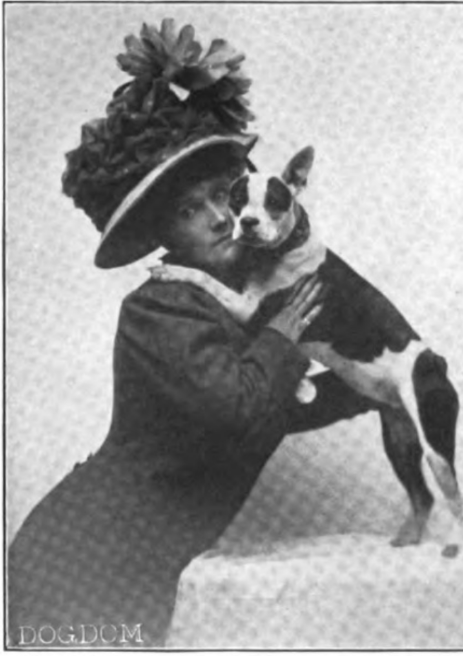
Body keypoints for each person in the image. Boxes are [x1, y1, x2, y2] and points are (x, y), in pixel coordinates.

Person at [8, 19, 373, 648]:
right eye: (187, 210)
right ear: (162, 235)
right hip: (83, 554)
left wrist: (377, 389)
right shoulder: (160, 308)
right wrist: (284, 336)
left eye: (221, 197)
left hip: (137, 560)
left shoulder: (236, 303)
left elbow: (271, 410)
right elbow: (238, 409)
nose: (218, 219)